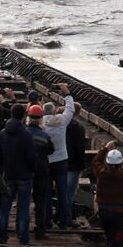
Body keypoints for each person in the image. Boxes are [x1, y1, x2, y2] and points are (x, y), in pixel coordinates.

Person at [0, 103, 36, 247]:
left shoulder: (3, 133)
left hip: (8, 175)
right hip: (24, 176)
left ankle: (2, 238)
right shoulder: (26, 134)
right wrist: (32, 170)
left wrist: (3, 169)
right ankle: (23, 240)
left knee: (5, 207)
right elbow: (31, 157)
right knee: (23, 208)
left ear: (11, 114)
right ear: (23, 116)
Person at [40, 86, 75, 230]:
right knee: (62, 192)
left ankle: (47, 220)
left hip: (46, 162)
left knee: (47, 193)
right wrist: (67, 95)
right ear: (54, 111)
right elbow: (70, 110)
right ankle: (63, 221)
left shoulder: (40, 124)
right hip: (61, 161)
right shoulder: (61, 121)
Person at [24, 104, 54, 238]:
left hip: (25, 170)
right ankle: (40, 229)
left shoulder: (24, 134)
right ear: (41, 119)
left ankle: (22, 228)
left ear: (28, 118)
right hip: (41, 171)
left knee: (23, 200)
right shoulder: (44, 136)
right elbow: (51, 150)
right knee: (40, 201)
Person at [63, 106, 87, 230]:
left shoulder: (61, 125)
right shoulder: (79, 128)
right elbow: (80, 149)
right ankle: (68, 219)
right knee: (70, 193)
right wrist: (82, 165)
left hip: (60, 163)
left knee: (62, 192)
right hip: (73, 165)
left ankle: (61, 217)